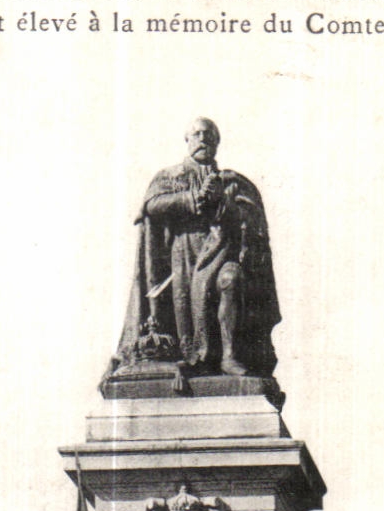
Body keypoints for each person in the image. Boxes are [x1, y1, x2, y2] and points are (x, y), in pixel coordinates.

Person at [113, 118, 280, 379]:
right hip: (185, 253)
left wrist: (222, 201)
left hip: (223, 248)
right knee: (187, 309)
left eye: (208, 135)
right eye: (197, 134)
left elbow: (250, 217)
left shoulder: (231, 181)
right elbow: (152, 205)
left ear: (216, 143)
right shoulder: (170, 176)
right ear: (187, 140)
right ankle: (195, 356)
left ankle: (229, 356)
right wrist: (192, 199)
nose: (203, 139)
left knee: (231, 279)